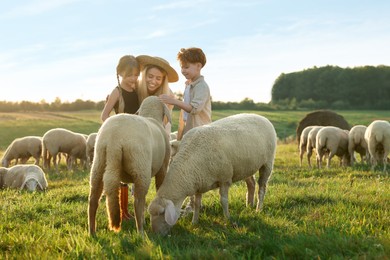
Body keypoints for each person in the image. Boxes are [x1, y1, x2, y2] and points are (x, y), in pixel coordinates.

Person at [158, 47, 212, 211]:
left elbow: (194, 108)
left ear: (198, 66)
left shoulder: (202, 86)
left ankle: (194, 204)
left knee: (195, 168)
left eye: (186, 67)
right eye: (182, 67)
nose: (183, 71)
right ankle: (187, 202)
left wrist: (174, 101)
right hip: (189, 131)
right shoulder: (190, 85)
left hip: (199, 132)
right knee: (186, 168)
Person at [100, 54, 140, 220]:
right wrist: (115, 130)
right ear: (120, 73)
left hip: (136, 136)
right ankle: (122, 211)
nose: (133, 78)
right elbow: (104, 115)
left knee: (135, 172)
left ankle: (131, 210)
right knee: (121, 172)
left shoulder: (138, 90)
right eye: (129, 75)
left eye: (136, 74)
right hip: (121, 137)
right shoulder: (117, 92)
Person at [136, 55, 178, 134]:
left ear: (163, 80)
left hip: (158, 132)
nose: (153, 81)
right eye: (150, 76)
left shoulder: (168, 95)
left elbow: (166, 124)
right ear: (144, 75)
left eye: (158, 78)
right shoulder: (136, 88)